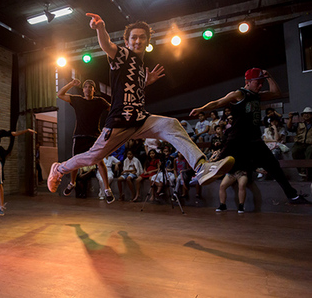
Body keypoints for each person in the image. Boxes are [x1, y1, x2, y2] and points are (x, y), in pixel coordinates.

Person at [47, 13, 234, 200]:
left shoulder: (139, 65)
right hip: (120, 121)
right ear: (127, 42)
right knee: (92, 158)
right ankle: (59, 168)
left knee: (172, 124)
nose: (138, 41)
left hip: (139, 119)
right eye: (134, 37)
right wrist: (101, 28)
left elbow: (128, 90)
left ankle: (202, 166)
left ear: (147, 41)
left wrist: (145, 82)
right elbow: (107, 46)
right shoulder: (123, 55)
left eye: (142, 37)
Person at [190, 68, 310, 204]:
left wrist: (269, 76)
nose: (260, 86)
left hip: (254, 140)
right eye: (257, 83)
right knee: (217, 163)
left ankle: (292, 196)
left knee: (274, 166)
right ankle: (193, 175)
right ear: (247, 82)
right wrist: (201, 109)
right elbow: (217, 102)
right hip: (237, 140)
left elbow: (276, 93)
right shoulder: (239, 94)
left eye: (262, 83)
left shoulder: (258, 96)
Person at [57, 78, 111, 200]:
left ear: (93, 90)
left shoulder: (99, 101)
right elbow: (60, 94)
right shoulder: (77, 100)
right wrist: (71, 84)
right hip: (79, 135)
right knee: (75, 162)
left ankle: (107, 189)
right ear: (83, 89)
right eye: (86, 86)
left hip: (94, 136)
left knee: (100, 162)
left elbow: (112, 109)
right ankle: (72, 183)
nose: (88, 88)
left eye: (90, 87)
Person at [287, 107, 312, 180]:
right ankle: (301, 171)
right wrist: (290, 118)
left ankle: (307, 172)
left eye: (308, 114)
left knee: (310, 152)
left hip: (310, 143)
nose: (306, 115)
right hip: (300, 143)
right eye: (304, 114)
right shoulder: (299, 124)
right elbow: (289, 128)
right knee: (295, 151)